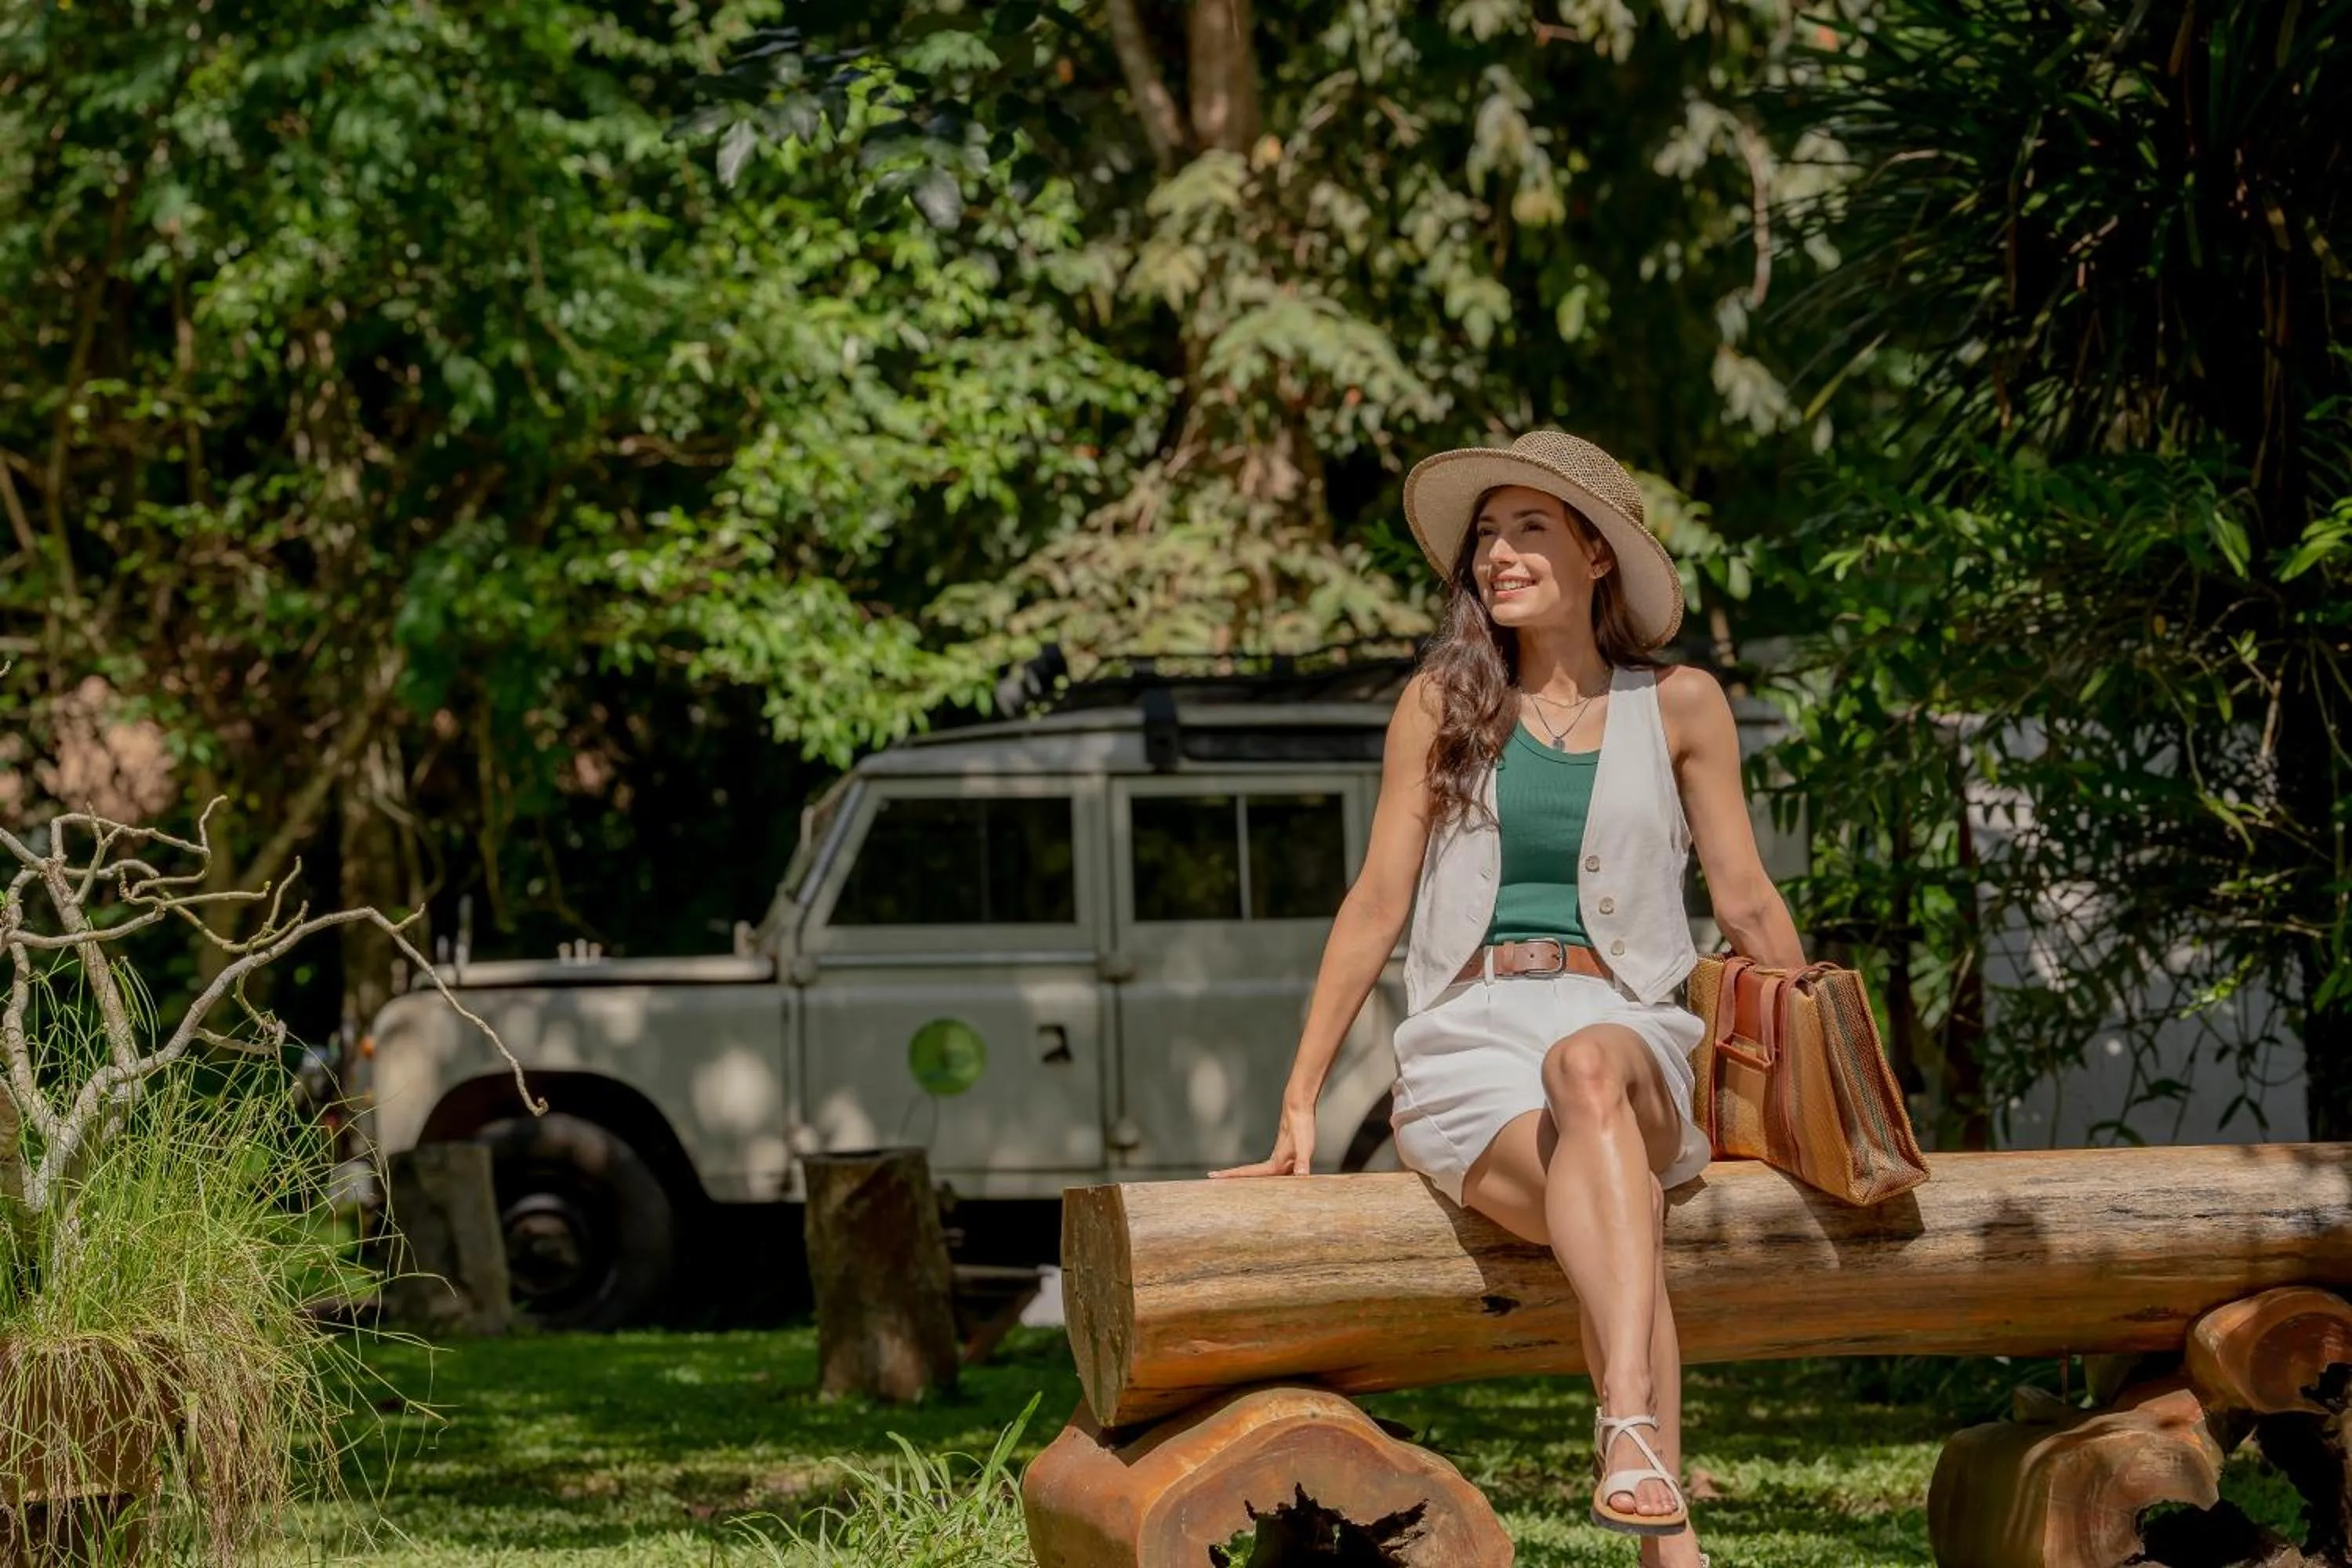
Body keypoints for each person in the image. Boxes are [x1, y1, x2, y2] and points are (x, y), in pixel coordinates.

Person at [1212, 430, 1806, 1566]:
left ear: (1596, 553)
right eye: (1485, 535)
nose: (1497, 553)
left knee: (1588, 1068)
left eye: (1528, 528)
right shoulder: (1443, 703)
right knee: (1609, 1197)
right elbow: (1377, 902)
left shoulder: (1680, 704)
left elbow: (1746, 902)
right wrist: (1300, 1100)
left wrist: (1842, 1066)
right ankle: (1664, 1527)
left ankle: (1627, 1438)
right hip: (1468, 1048)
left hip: (1631, 1034)